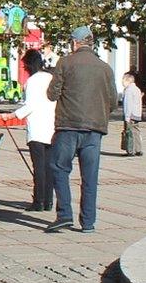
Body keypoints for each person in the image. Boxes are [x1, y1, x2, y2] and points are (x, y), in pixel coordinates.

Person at [44, 26, 115, 233]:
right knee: (90, 177)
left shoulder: (65, 63)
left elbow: (52, 94)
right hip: (94, 129)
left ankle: (65, 214)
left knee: (59, 168)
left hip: (68, 126)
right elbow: (112, 102)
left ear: (74, 43)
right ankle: (88, 222)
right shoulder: (105, 68)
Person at [11, 50, 56, 212]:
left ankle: (38, 201)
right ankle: (49, 200)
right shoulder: (51, 78)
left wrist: (11, 116)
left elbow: (29, 106)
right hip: (52, 128)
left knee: (39, 167)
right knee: (49, 166)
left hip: (37, 129)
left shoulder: (32, 81)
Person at [120, 71, 144, 156]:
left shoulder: (129, 90)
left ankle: (130, 150)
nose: (122, 83)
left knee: (129, 132)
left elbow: (128, 104)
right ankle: (138, 149)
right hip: (137, 114)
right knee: (136, 132)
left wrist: (127, 117)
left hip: (130, 115)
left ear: (127, 81)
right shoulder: (137, 89)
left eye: (123, 81)